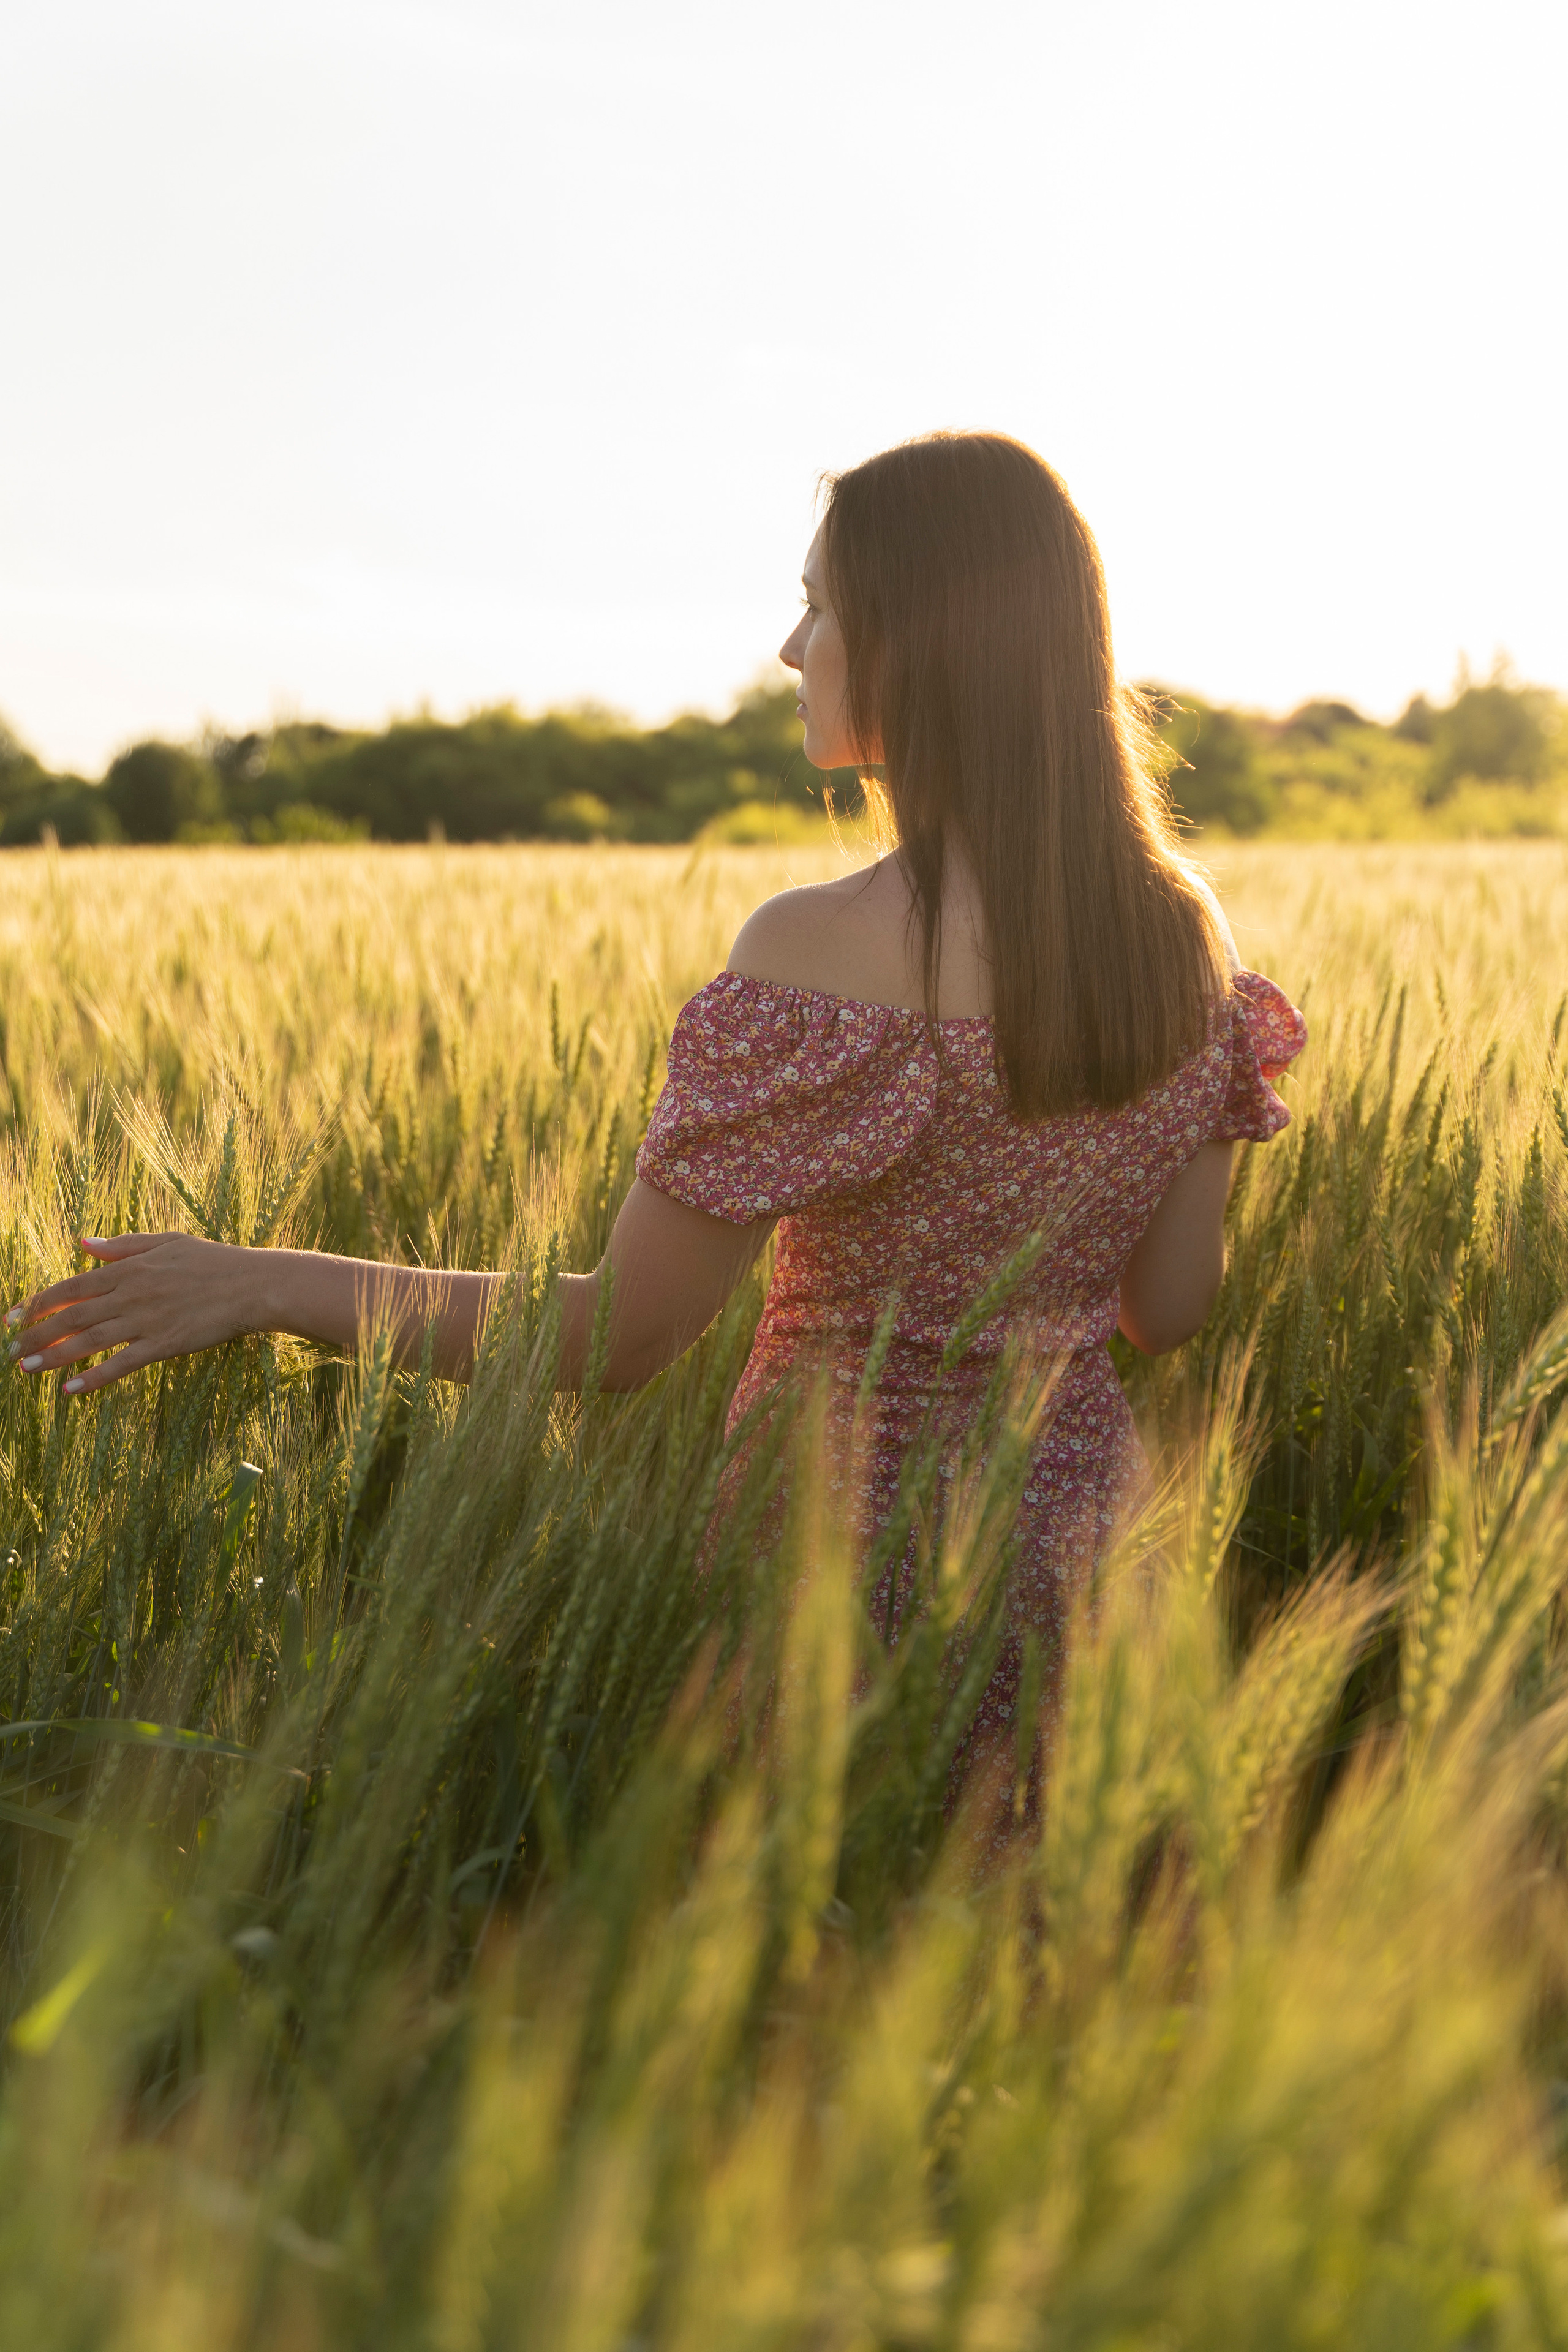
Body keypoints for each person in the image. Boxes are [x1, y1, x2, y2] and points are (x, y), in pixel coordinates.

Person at [8, 433, 1304, 1761]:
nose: (792, 648)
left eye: (819, 606)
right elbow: (1165, 1309)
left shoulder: (816, 954)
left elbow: (611, 1342)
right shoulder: (1180, 933)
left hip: (850, 1568)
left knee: (841, 1942)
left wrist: (258, 1282)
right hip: (1094, 1558)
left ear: (921, 641)